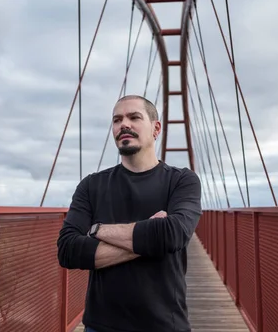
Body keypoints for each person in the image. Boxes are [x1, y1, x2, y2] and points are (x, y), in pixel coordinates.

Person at [57, 94, 202, 332]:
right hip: (101, 326)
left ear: (156, 128)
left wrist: (96, 231)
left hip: (165, 325)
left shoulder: (182, 181)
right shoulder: (91, 186)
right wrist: (151, 238)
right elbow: (67, 251)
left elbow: (172, 234)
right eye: (117, 120)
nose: (124, 124)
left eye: (134, 117)